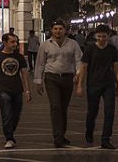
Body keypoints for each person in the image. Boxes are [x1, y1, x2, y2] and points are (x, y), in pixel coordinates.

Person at [34, 20, 83, 148]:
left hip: (67, 78)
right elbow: (40, 63)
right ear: (51, 30)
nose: (58, 31)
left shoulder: (73, 44)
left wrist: (78, 73)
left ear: (65, 30)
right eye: (55, 28)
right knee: (55, 107)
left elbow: (78, 60)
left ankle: (62, 134)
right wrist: (38, 81)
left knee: (63, 107)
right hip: (51, 78)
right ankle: (57, 137)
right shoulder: (45, 45)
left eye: (60, 28)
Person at [76, 24, 118, 150]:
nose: (101, 39)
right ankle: (89, 130)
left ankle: (106, 138)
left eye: (104, 36)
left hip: (108, 84)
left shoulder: (112, 50)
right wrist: (80, 85)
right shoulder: (90, 49)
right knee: (92, 111)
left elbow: (116, 67)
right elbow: (84, 67)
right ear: (96, 36)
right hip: (93, 84)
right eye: (99, 36)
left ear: (108, 36)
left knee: (109, 111)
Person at [0, 33, 31, 149]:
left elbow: (25, 75)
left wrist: (27, 90)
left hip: (17, 90)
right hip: (3, 90)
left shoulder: (19, 57)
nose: (15, 44)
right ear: (5, 42)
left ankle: (10, 132)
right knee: (6, 115)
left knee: (16, 115)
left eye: (16, 42)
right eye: (12, 42)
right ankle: (9, 137)